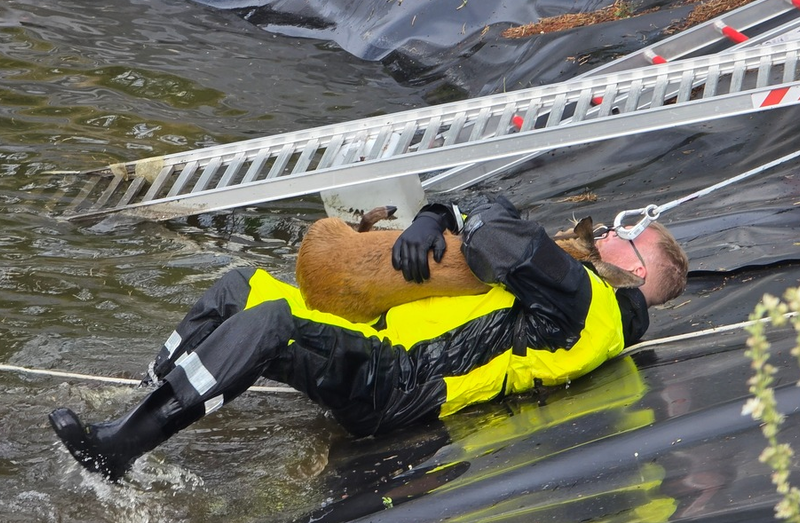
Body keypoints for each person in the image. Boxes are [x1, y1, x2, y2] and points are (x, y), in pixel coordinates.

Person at [49, 196, 689, 482]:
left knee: (272, 327)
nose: (604, 229)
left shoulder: (589, 301)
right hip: (381, 340)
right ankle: (146, 397)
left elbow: (500, 234)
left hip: (406, 384)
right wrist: (438, 216)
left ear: (633, 269)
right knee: (242, 286)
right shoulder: (586, 295)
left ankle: (123, 448)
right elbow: (494, 212)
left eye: (620, 234)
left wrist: (444, 217)